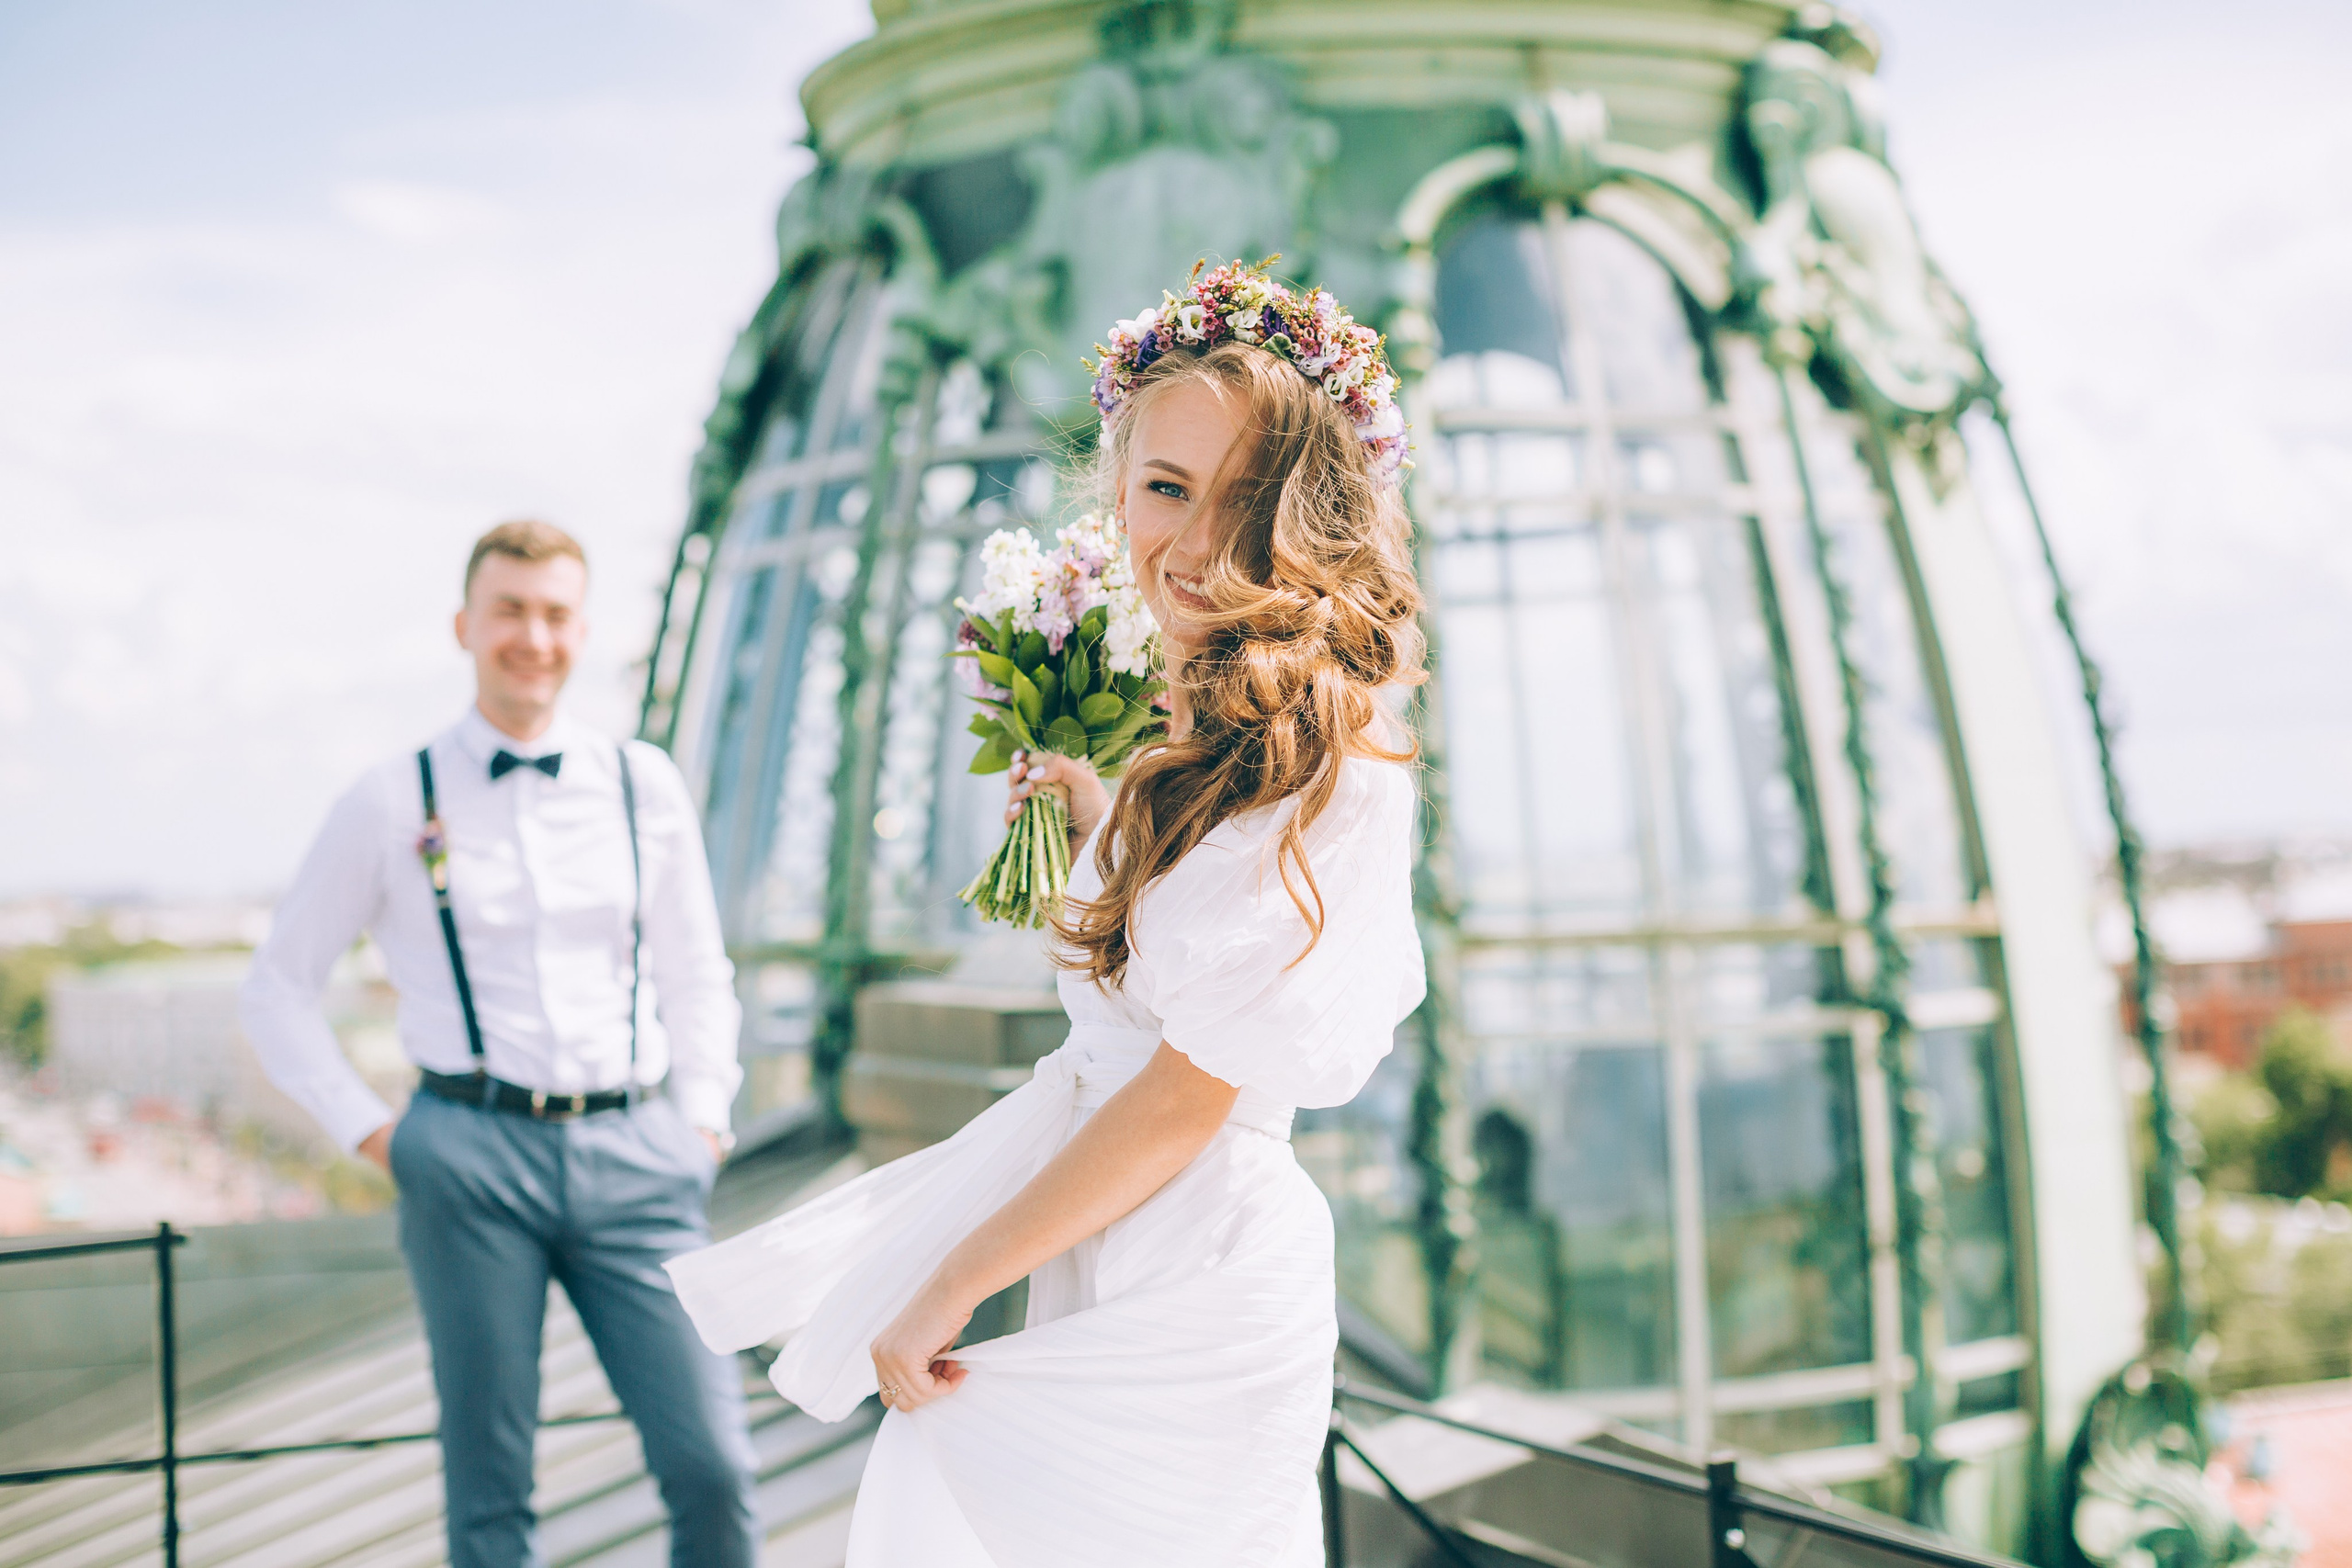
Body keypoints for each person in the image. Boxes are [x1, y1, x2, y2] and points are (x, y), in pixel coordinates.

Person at [664, 261, 1428, 1565]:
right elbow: (1171, 969)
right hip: (1109, 1231)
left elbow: (1184, 1093)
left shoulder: (1334, 766)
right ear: (1117, 489)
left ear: (1308, 514)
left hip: (1198, 1259)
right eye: (1166, 487)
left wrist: (952, 1280)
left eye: (1244, 497)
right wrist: (1101, 824)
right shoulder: (1187, 747)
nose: (1194, 543)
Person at [240, 520, 761, 1568]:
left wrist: (703, 1121)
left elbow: (696, 971)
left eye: (556, 613)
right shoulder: (392, 797)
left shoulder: (642, 783)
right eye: (510, 611)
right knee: (491, 1488)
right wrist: (381, 1136)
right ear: (465, 626)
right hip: (468, 1156)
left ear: (583, 631)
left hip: (637, 1152)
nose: (534, 637)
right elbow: (277, 988)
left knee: (712, 1467)